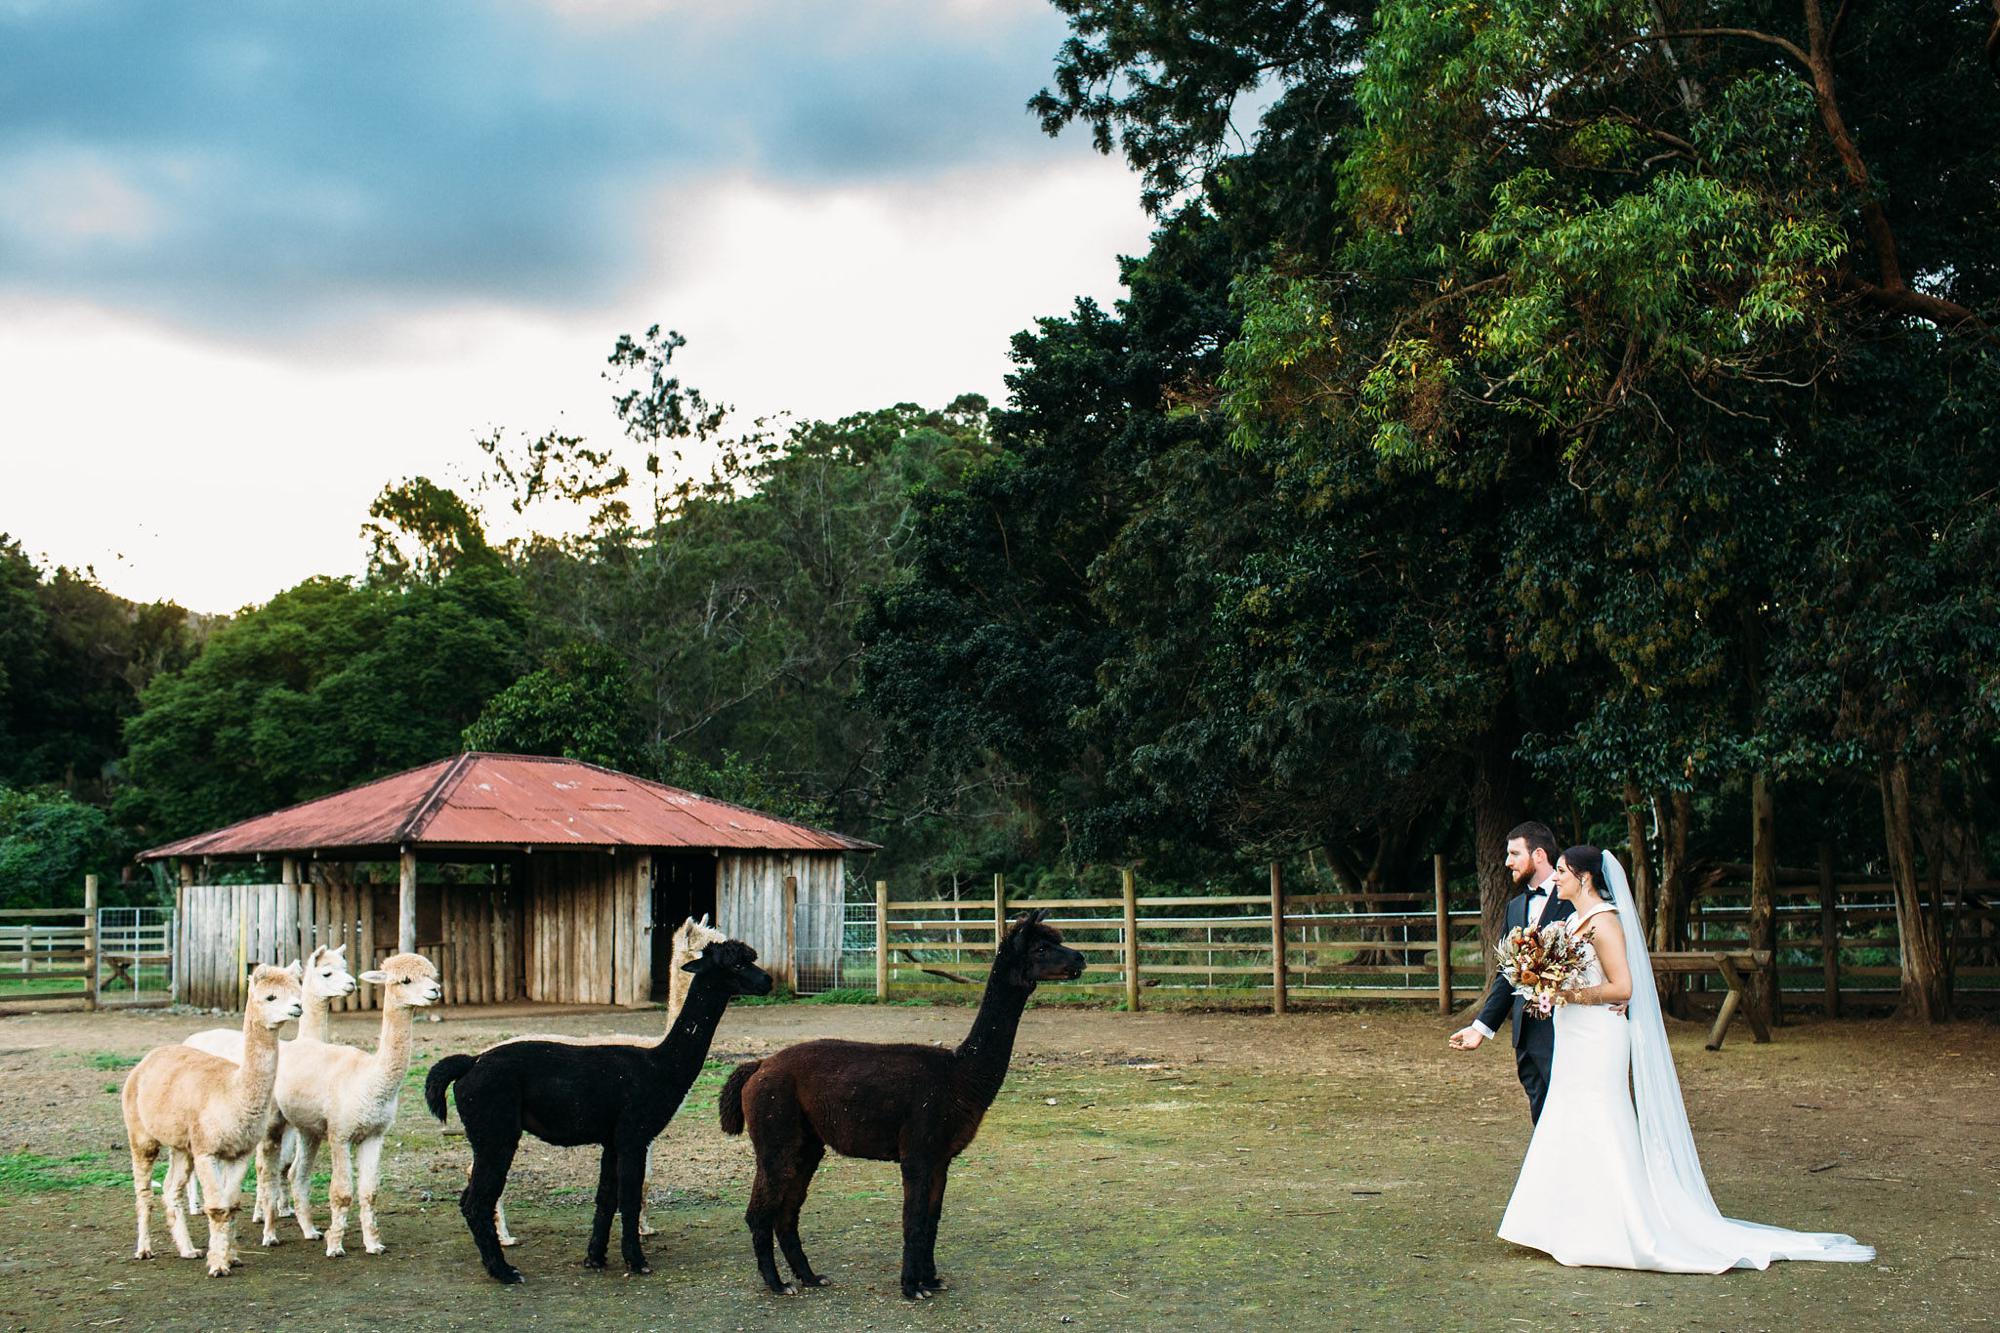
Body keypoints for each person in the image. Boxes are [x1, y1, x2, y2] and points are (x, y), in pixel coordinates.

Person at [1496, 844, 1873, 1271]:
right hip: (1574, 1037)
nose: (1556, 877)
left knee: (1601, 1118)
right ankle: (1559, 1223)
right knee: (1566, 1116)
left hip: (1599, 1038)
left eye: (1562, 871)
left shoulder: (1605, 923)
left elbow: (1623, 988)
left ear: (1584, 878)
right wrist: (1548, 988)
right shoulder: (1571, 921)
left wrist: (1567, 993)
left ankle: (1619, 1226)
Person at [1449, 821, 1572, 1121]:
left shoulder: (1575, 899)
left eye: (1515, 853)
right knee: (1541, 1116)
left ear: (1539, 854)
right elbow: (1507, 974)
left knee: (1570, 1115)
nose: (1507, 862)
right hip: (1526, 1036)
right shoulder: (1514, 908)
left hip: (1566, 1030)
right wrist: (1481, 1029)